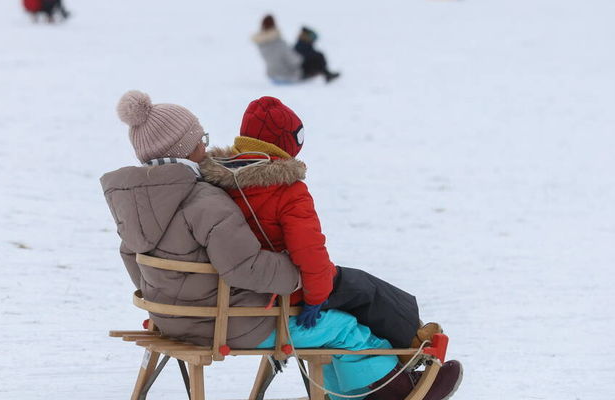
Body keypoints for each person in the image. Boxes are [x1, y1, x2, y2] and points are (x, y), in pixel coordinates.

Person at [102, 90, 462, 399]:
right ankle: (397, 391)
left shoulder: (133, 204)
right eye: (201, 140)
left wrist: (170, 303)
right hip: (230, 324)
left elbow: (132, 260)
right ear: (186, 148)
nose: (206, 146)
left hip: (171, 320)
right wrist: (299, 276)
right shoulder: (204, 202)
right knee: (344, 329)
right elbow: (245, 266)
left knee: (348, 304)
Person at [200, 96, 442, 358]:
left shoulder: (218, 181)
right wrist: (316, 297)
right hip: (283, 289)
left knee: (355, 287)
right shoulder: (287, 190)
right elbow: (308, 250)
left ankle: (408, 339)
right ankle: (413, 345)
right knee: (364, 290)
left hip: (245, 286)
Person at [251, 15, 340, 84]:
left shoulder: (261, 43)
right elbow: (295, 61)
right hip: (287, 76)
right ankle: (325, 73)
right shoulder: (278, 42)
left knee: (305, 50)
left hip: (272, 76)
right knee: (317, 56)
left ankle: (324, 73)